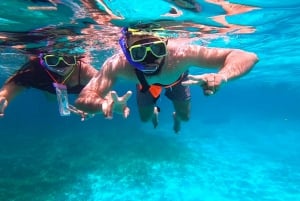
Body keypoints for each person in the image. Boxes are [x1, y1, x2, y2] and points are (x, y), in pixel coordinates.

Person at [75, 24, 258, 133]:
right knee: (146, 119)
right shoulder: (118, 64)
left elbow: (248, 56)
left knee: (184, 117)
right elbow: (83, 98)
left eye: (157, 49)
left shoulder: (181, 54)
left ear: (166, 44)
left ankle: (175, 117)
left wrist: (222, 76)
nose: (150, 59)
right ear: (127, 53)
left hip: (179, 80)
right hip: (145, 85)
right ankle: (154, 110)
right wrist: (102, 105)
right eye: (138, 53)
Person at [0, 53, 129, 119]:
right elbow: (10, 88)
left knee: (87, 91)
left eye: (68, 58)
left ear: (76, 58)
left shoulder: (83, 70)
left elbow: (104, 91)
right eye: (53, 60)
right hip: (49, 87)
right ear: (43, 59)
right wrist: (3, 97)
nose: (61, 66)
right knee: (51, 97)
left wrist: (108, 104)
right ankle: (55, 93)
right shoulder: (35, 70)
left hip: (75, 88)